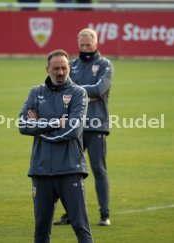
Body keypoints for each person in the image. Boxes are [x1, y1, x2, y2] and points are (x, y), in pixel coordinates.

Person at [18, 49, 93, 243]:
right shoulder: (36, 92)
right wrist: (54, 124)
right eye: (56, 68)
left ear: (69, 68)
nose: (60, 72)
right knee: (41, 231)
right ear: (47, 69)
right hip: (41, 171)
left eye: (64, 68)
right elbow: (23, 125)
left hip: (69, 170)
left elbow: (74, 129)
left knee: (81, 227)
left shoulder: (78, 93)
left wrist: (40, 128)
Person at [53, 28, 113, 226]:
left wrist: (77, 92)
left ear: (96, 43)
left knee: (98, 169)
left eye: (89, 45)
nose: (86, 48)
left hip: (96, 124)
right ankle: (71, 214)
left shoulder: (105, 65)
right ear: (78, 45)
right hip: (74, 125)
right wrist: (87, 94)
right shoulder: (72, 65)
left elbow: (99, 89)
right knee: (70, 170)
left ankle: (105, 214)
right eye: (82, 45)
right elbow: (64, 90)